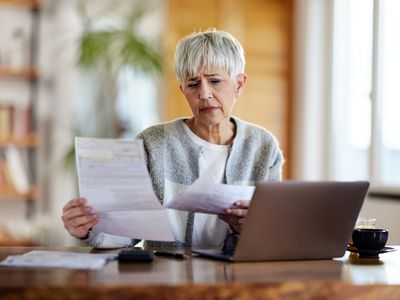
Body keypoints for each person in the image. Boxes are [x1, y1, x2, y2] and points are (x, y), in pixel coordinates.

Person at [62, 28, 284, 249]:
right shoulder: (153, 143)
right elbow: (127, 231)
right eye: (193, 84)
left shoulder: (263, 147)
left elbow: (273, 234)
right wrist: (89, 229)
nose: (204, 94)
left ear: (239, 84)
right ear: (183, 90)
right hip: (166, 275)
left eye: (215, 81)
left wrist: (248, 228)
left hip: (237, 277)